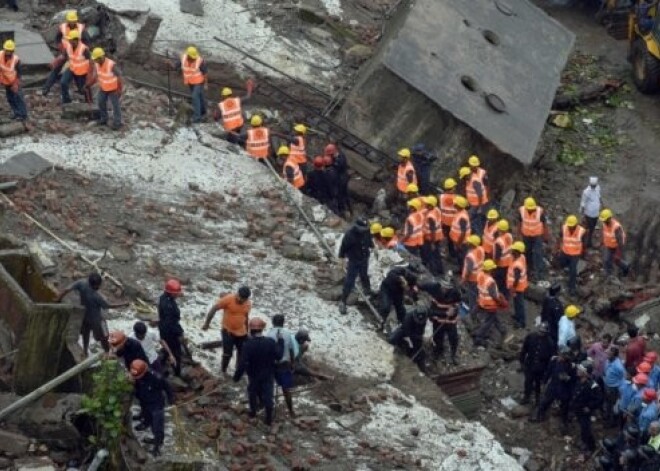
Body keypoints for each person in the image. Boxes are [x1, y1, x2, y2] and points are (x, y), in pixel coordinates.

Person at [57, 272, 128, 356]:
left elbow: (67, 289)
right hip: (97, 320)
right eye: (99, 285)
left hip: (85, 316)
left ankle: (85, 351)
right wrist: (123, 304)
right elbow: (108, 306)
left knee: (85, 334)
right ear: (95, 285)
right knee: (104, 337)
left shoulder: (81, 283)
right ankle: (108, 353)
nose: (99, 287)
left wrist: (58, 299)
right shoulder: (96, 296)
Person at [233, 317, 284, 426]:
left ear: (251, 330)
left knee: (252, 392)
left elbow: (242, 363)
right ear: (262, 329)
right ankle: (268, 419)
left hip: (254, 374)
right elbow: (279, 356)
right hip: (268, 374)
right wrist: (281, 341)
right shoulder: (270, 342)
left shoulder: (248, 345)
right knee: (268, 395)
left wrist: (237, 377)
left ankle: (253, 413)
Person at [202, 285, 252, 374]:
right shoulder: (228, 299)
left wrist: (247, 330)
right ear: (237, 294)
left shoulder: (248, 304)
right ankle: (223, 370)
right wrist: (207, 323)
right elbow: (214, 308)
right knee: (227, 353)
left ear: (246, 299)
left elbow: (246, 316)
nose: (240, 300)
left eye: (243, 299)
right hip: (228, 331)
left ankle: (238, 368)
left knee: (242, 352)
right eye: (239, 297)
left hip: (241, 332)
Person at [129, 359, 174, 456]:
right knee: (147, 418)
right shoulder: (136, 375)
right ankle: (147, 425)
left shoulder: (156, 377)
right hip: (144, 402)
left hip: (156, 405)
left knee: (157, 427)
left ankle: (157, 447)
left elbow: (167, 387)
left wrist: (171, 401)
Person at [42, 10, 91, 96]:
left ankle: (81, 90)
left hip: (77, 53)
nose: (72, 23)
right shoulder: (63, 27)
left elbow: (87, 41)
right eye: (70, 21)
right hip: (66, 51)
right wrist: (59, 46)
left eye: (73, 21)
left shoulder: (81, 28)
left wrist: (83, 50)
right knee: (56, 69)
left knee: (77, 71)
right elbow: (58, 38)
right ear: (67, 21)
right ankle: (46, 88)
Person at [417, 278, 461, 365]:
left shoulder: (455, 292)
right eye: (443, 287)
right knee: (438, 338)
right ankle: (438, 352)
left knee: (454, 338)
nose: (444, 290)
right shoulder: (433, 287)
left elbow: (458, 303)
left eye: (447, 288)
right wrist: (415, 289)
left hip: (450, 321)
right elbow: (419, 286)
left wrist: (454, 310)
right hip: (438, 320)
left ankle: (453, 355)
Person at [531, 346, 574, 428]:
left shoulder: (570, 365)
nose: (561, 357)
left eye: (563, 356)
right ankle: (539, 415)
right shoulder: (554, 361)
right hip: (553, 386)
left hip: (564, 388)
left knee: (565, 407)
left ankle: (564, 422)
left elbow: (573, 379)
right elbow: (549, 371)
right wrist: (544, 381)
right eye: (561, 355)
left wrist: (567, 378)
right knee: (545, 401)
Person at [338, 217, 373, 314]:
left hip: (364, 258)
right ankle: (343, 301)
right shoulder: (349, 235)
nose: (364, 231)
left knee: (364, 275)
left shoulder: (366, 231)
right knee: (350, 281)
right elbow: (343, 248)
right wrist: (341, 260)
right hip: (354, 260)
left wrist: (372, 247)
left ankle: (368, 290)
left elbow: (369, 240)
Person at [266, 314, 299, 417]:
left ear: (273, 322)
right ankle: (291, 411)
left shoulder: (269, 334)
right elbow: (291, 349)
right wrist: (293, 362)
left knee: (269, 387)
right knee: (286, 389)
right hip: (284, 365)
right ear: (283, 322)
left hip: (272, 364)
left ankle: (269, 411)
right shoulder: (287, 334)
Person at [472, 260, 508, 347]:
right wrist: (501, 302)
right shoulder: (490, 281)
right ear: (490, 270)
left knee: (494, 318)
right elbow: (494, 295)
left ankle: (502, 330)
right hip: (490, 305)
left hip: (482, 301)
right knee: (488, 322)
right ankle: (479, 336)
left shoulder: (480, 275)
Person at [519, 322, 555, 405]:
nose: (541, 333)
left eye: (543, 332)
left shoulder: (549, 343)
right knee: (528, 382)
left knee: (538, 384)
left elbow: (550, 359)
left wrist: (547, 371)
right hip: (530, 364)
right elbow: (524, 349)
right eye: (540, 331)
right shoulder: (531, 337)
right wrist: (521, 361)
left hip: (541, 368)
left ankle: (537, 399)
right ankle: (526, 397)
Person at [572, 361, 603, 454]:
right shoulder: (579, 380)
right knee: (582, 426)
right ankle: (583, 441)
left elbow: (599, 399)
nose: (577, 371)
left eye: (580, 370)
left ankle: (590, 446)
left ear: (585, 373)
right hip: (578, 408)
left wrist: (589, 407)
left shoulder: (593, 385)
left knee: (586, 428)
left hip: (585, 411)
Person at [173, 46, 208, 123]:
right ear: (188, 55)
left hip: (199, 82)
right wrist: (169, 64)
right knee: (200, 97)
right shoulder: (183, 58)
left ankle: (196, 118)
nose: (193, 59)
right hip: (190, 82)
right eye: (192, 57)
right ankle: (203, 112)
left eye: (194, 57)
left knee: (195, 96)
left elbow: (205, 73)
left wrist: (205, 84)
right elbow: (175, 66)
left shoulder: (200, 61)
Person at [157, 279, 184, 377]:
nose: (177, 295)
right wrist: (179, 333)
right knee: (176, 352)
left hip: (163, 327)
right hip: (169, 331)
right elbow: (171, 324)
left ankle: (161, 363)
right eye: (176, 293)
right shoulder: (169, 306)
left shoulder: (163, 297)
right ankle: (177, 373)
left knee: (166, 348)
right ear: (171, 293)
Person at [91, 48, 123, 130]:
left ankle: (117, 123)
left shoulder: (111, 64)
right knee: (101, 102)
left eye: (96, 59)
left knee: (115, 105)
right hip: (103, 87)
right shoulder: (97, 64)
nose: (95, 61)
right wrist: (89, 84)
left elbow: (119, 76)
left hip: (113, 89)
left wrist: (119, 89)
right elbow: (96, 75)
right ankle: (104, 119)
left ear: (101, 57)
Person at [389, 306, 428, 372]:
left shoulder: (424, 317)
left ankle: (420, 365)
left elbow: (420, 331)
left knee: (419, 351)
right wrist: (410, 340)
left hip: (416, 334)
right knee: (392, 339)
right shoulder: (408, 317)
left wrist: (420, 338)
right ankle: (399, 347)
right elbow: (408, 332)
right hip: (404, 331)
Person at [517, 197, 548, 281]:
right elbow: (520, 223)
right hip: (526, 235)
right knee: (527, 251)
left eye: (532, 208)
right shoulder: (522, 211)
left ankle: (539, 271)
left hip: (537, 235)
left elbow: (544, 224)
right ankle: (528, 268)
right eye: (529, 209)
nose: (531, 210)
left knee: (538, 252)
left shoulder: (539, 212)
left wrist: (546, 235)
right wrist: (519, 234)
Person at [59, 30, 93, 105]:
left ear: (76, 40)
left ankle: (90, 104)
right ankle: (66, 102)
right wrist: (57, 62)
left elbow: (91, 61)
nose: (69, 42)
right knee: (63, 82)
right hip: (72, 68)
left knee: (83, 89)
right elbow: (64, 57)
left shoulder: (84, 48)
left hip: (82, 71)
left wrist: (89, 74)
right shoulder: (68, 47)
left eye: (71, 40)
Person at [558, 214, 587, 297]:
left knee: (573, 270)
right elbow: (560, 238)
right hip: (565, 251)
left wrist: (583, 253)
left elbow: (584, 244)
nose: (570, 227)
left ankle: (572, 288)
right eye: (569, 226)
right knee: (561, 263)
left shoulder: (581, 231)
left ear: (576, 225)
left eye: (572, 226)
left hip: (575, 254)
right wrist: (557, 248)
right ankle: (566, 269)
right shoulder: (564, 228)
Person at [0, 40, 28, 121]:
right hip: (6, 81)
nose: (8, 53)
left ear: (12, 51)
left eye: (10, 51)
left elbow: (19, 73)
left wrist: (16, 84)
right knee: (10, 98)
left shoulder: (16, 59)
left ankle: (23, 115)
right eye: (7, 51)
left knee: (18, 97)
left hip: (14, 81)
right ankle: (16, 113)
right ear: (4, 50)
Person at [599, 208, 630, 277]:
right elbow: (603, 234)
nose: (604, 222)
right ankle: (608, 274)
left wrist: (618, 253)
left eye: (605, 220)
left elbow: (620, 241)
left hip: (617, 246)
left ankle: (626, 267)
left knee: (617, 260)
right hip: (609, 245)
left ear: (609, 218)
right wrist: (601, 243)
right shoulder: (604, 224)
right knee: (606, 259)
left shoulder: (616, 227)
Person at [465, 155, 490, 236]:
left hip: (480, 202)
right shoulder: (468, 172)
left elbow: (487, 186)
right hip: (473, 202)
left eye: (474, 166)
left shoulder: (482, 173)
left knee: (479, 218)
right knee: (473, 218)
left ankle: (479, 235)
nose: (472, 167)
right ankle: (475, 234)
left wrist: (482, 203)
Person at [324, 143, 351, 216]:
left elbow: (336, 167)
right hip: (341, 177)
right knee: (343, 194)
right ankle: (347, 208)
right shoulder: (337, 157)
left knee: (342, 194)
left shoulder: (340, 159)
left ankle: (344, 210)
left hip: (342, 179)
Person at [461, 234, 484, 317]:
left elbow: (469, 270)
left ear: (472, 244)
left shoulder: (470, 256)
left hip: (472, 279)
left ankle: (472, 314)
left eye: (469, 242)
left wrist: (464, 280)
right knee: (478, 294)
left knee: (472, 297)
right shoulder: (481, 249)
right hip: (480, 276)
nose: (468, 243)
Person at [421, 195, 444, 276]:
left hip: (431, 238)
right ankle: (440, 270)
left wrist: (432, 243)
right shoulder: (436, 210)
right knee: (437, 254)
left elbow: (432, 230)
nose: (426, 205)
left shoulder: (431, 216)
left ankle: (434, 272)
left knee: (431, 255)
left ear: (431, 205)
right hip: (438, 236)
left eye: (427, 204)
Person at [507, 241, 528, 329]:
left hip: (518, 287)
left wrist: (513, 289)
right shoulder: (521, 257)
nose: (512, 251)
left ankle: (521, 322)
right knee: (517, 302)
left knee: (519, 304)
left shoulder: (517, 265)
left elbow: (516, 278)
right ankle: (517, 316)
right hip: (520, 286)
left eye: (514, 250)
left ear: (517, 251)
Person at [603, 346, 625, 426]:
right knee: (608, 403)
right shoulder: (608, 361)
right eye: (607, 354)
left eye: (609, 354)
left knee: (613, 405)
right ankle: (607, 415)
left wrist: (619, 390)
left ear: (614, 355)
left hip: (614, 388)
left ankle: (612, 422)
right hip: (607, 385)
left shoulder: (618, 366)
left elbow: (622, 378)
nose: (607, 355)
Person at [492, 219, 513, 300]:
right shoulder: (509, 236)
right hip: (509, 263)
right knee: (505, 282)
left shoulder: (499, 241)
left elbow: (497, 256)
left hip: (501, 265)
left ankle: (500, 299)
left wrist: (494, 266)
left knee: (499, 283)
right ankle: (506, 297)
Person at [579, 176, 602, 248]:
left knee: (592, 228)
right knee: (588, 228)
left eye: (594, 185)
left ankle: (588, 241)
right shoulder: (586, 192)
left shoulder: (598, 188)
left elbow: (599, 197)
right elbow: (583, 203)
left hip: (596, 213)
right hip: (589, 213)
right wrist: (582, 213)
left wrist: (602, 205)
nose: (593, 186)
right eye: (592, 185)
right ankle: (585, 242)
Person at [449, 195, 471, 267]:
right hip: (458, 241)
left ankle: (462, 271)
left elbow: (463, 232)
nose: (454, 204)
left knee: (462, 257)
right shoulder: (460, 212)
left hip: (462, 242)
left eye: (455, 203)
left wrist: (459, 243)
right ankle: (460, 269)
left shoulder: (462, 217)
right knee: (459, 256)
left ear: (459, 205)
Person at [439, 178, 458, 258]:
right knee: (451, 239)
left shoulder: (441, 197)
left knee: (444, 238)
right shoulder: (456, 198)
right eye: (454, 187)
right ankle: (452, 253)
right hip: (453, 223)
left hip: (444, 221)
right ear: (451, 188)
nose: (455, 189)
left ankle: (444, 251)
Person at [541, 283, 563, 348]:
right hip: (553, 328)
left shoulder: (546, 300)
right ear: (557, 293)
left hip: (545, 325)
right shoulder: (557, 305)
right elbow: (558, 319)